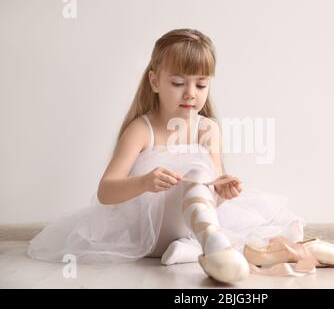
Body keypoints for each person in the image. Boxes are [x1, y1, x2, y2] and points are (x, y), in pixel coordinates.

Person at [28, 28, 305, 283]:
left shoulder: (207, 129)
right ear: (155, 81)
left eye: (201, 85)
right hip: (149, 233)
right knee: (197, 173)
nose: (190, 94)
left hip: (191, 224)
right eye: (177, 83)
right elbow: (105, 191)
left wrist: (223, 192)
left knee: (204, 178)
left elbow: (212, 199)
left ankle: (195, 245)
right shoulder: (141, 130)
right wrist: (144, 183)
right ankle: (204, 244)